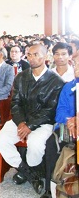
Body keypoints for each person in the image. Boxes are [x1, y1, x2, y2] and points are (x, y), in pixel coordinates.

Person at [0, 44, 65, 194]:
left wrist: (30, 126)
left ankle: (31, 170)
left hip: (42, 122)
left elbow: (50, 110)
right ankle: (28, 172)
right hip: (20, 120)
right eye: (29, 54)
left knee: (35, 145)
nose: (31, 58)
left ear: (45, 57)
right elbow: (15, 103)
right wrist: (21, 121)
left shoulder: (56, 81)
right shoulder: (21, 77)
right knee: (2, 140)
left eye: (35, 54)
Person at [41, 55, 78, 198]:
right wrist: (69, 120)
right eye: (75, 64)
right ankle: (51, 188)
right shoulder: (68, 87)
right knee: (52, 143)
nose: (76, 67)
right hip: (68, 127)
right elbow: (60, 113)